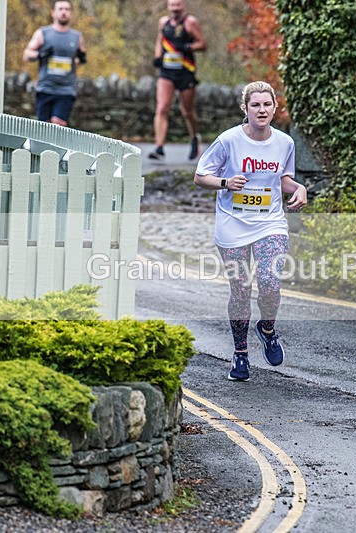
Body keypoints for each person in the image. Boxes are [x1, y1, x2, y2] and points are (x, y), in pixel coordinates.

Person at [195, 81, 307, 381]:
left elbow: (282, 180)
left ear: (275, 107)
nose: (261, 110)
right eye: (255, 105)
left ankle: (267, 329)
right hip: (232, 225)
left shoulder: (285, 143)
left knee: (270, 282)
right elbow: (200, 176)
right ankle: (240, 353)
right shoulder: (228, 141)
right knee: (241, 289)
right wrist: (226, 183)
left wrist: (299, 188)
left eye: (267, 104)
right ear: (245, 108)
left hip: (270, 223)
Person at [149, 0, 206, 161]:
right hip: (167, 71)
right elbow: (160, 40)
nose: (175, 8)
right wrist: (157, 56)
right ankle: (159, 147)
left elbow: (203, 44)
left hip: (185, 71)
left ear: (183, 6)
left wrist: (188, 47)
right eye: (172, 5)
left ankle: (194, 137)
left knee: (187, 111)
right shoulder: (163, 22)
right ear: (168, 7)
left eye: (178, 5)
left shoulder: (190, 23)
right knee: (162, 107)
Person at [23, 0, 86, 127]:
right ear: (53, 12)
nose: (64, 12)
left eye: (67, 9)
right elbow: (27, 55)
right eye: (60, 9)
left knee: (58, 125)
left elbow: (81, 58)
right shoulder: (43, 33)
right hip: (45, 88)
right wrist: (40, 54)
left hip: (66, 90)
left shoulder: (77, 37)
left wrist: (80, 58)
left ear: (71, 13)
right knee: (44, 128)